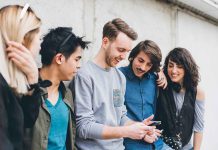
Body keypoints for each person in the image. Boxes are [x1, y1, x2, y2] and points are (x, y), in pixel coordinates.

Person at [71, 18, 155, 150]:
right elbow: (84, 127)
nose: (123, 57)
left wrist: (138, 128)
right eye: (121, 50)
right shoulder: (85, 75)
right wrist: (126, 132)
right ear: (105, 42)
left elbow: (119, 116)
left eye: (127, 52)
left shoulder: (120, 77)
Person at [23, 27, 89, 150]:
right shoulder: (26, 91)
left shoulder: (67, 94)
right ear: (59, 58)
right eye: (76, 59)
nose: (79, 66)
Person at [0, 4, 42, 150]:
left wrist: (33, 79)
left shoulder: (9, 82)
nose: (40, 47)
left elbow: (27, 122)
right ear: (24, 39)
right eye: (39, 38)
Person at [119, 40, 172, 150]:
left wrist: (160, 72)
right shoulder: (118, 77)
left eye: (149, 64)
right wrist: (143, 132)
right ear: (132, 56)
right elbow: (115, 116)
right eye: (140, 60)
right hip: (131, 143)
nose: (143, 67)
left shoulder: (154, 78)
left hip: (156, 142)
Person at [155, 47, 205, 150]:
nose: (174, 71)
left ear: (187, 68)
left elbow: (198, 126)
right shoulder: (161, 86)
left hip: (186, 147)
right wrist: (158, 71)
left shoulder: (197, 92)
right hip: (162, 146)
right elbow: (150, 67)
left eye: (179, 66)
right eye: (170, 66)